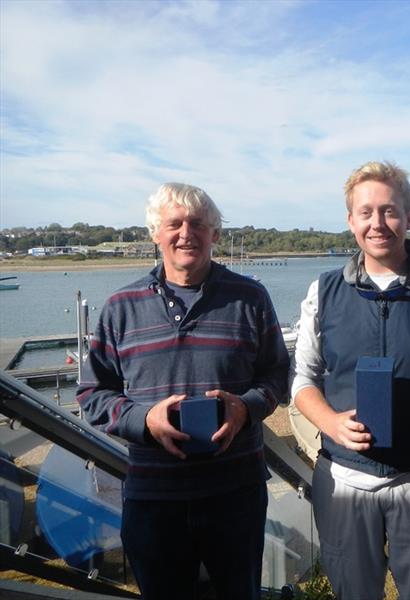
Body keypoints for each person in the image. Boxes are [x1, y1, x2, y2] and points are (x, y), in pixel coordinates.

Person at [76, 183, 289, 600]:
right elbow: (91, 394)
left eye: (198, 224)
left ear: (214, 233)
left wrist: (245, 408)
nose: (186, 233)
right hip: (153, 498)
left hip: (236, 495)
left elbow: (278, 374)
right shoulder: (122, 306)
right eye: (174, 224)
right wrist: (144, 419)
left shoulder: (251, 298)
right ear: (156, 234)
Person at [292, 161, 410, 599]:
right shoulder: (323, 290)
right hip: (344, 478)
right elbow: (302, 380)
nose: (377, 223)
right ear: (350, 221)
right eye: (366, 212)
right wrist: (330, 422)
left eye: (390, 211)